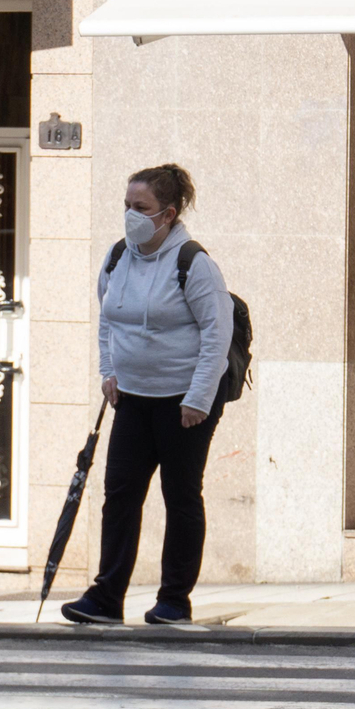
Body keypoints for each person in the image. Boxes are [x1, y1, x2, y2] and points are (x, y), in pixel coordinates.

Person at [61, 164, 234, 625]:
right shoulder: (119, 257)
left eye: (141, 208)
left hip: (184, 404)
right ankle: (106, 597)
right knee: (120, 494)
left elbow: (218, 334)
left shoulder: (194, 263)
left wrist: (198, 398)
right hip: (133, 398)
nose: (131, 216)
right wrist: (108, 371)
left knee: (180, 496)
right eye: (127, 206)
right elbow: (108, 319)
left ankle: (174, 600)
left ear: (169, 214)